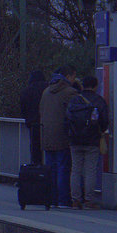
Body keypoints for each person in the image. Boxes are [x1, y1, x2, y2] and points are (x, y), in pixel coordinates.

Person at [66, 75, 109, 209]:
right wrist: (101, 131)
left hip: (75, 140)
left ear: (83, 85)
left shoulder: (74, 100)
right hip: (92, 140)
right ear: (96, 86)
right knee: (90, 170)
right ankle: (89, 200)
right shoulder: (99, 101)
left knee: (75, 170)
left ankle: (75, 200)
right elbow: (104, 121)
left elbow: (67, 119)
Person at [39, 64, 79, 208]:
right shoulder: (70, 92)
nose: (75, 79)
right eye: (74, 76)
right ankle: (63, 200)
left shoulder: (46, 91)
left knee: (51, 169)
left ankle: (52, 199)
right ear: (68, 76)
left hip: (47, 134)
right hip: (62, 135)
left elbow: (41, 111)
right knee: (63, 168)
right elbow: (75, 114)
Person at [19, 70, 48, 165]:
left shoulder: (27, 91)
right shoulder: (48, 89)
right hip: (48, 123)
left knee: (35, 150)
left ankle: (36, 169)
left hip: (33, 123)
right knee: (51, 151)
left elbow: (23, 108)